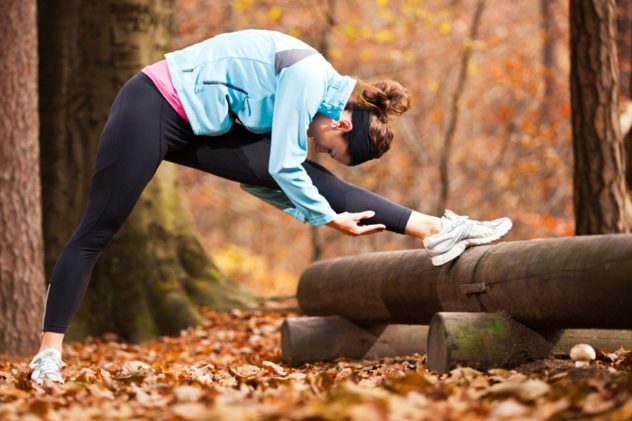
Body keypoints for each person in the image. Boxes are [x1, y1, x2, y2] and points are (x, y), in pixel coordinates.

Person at [28, 29, 512, 384]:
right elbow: (283, 165)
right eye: (330, 148)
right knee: (99, 227)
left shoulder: (312, 95)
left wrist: (311, 210)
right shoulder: (307, 76)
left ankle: (438, 229)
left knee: (313, 180)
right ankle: (48, 354)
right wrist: (325, 217)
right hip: (153, 103)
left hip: (200, 125)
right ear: (343, 125)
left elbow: (262, 180)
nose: (319, 146)